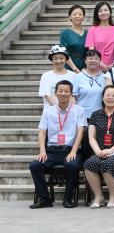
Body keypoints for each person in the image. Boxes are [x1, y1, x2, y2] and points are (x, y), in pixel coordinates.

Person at [29, 80, 86, 209]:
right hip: (52, 151)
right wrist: (42, 151)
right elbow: (42, 133)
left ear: (71, 93)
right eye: (60, 91)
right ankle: (45, 199)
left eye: (66, 91)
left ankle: (68, 198)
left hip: (70, 150)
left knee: (72, 165)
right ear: (55, 93)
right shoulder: (48, 111)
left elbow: (80, 132)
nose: (63, 93)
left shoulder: (79, 110)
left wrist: (74, 151)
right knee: (35, 165)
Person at [83, 85, 114, 208]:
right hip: (100, 151)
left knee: (108, 163)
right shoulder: (95, 115)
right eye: (107, 95)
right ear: (102, 97)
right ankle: (99, 196)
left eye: (113, 95)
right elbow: (91, 137)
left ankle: (113, 196)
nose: (110, 98)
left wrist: (111, 150)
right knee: (89, 164)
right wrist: (97, 151)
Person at [72, 49, 110, 115]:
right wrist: (76, 113)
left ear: (100, 61)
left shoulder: (105, 77)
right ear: (85, 61)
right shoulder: (78, 77)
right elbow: (72, 97)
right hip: (82, 115)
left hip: (101, 115)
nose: (93, 61)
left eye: (96, 59)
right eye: (90, 58)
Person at [84, 2, 114, 70]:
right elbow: (91, 50)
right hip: (96, 66)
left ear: (110, 12)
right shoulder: (92, 30)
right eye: (100, 11)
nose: (103, 12)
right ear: (97, 14)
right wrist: (100, 64)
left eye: (106, 10)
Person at [59, 5, 88, 72]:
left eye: (80, 14)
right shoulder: (65, 33)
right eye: (74, 14)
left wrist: (85, 68)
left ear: (83, 17)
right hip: (69, 68)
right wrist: (74, 68)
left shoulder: (88, 33)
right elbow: (64, 52)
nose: (77, 16)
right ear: (70, 17)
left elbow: (90, 52)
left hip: (85, 69)